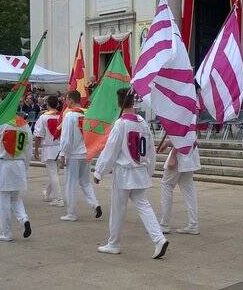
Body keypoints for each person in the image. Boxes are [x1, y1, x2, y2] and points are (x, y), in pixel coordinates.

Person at [93, 88, 169, 259]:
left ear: (119, 103)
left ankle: (114, 243)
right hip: (140, 170)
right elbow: (150, 150)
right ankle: (159, 239)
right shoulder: (142, 123)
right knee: (143, 205)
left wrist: (99, 171)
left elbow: (110, 149)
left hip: (124, 172)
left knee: (118, 208)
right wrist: (149, 169)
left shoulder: (121, 124)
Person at [59, 90, 102, 221]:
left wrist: (63, 153)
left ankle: (71, 213)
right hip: (86, 151)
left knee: (71, 183)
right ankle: (95, 203)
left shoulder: (70, 116)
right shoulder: (88, 113)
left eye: (67, 99)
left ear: (71, 100)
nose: (66, 102)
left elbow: (66, 138)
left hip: (74, 153)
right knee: (85, 182)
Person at [158, 139, 201, 235]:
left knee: (166, 186)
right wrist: (168, 142)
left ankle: (165, 224)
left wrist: (172, 156)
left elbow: (180, 136)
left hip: (180, 154)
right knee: (189, 190)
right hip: (189, 153)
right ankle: (193, 223)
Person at [33, 95, 65, 207]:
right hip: (60, 147)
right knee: (54, 173)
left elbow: (38, 135)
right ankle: (47, 193)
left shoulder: (43, 117)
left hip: (49, 147)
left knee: (53, 174)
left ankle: (59, 199)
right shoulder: (62, 116)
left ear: (47, 104)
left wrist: (36, 149)